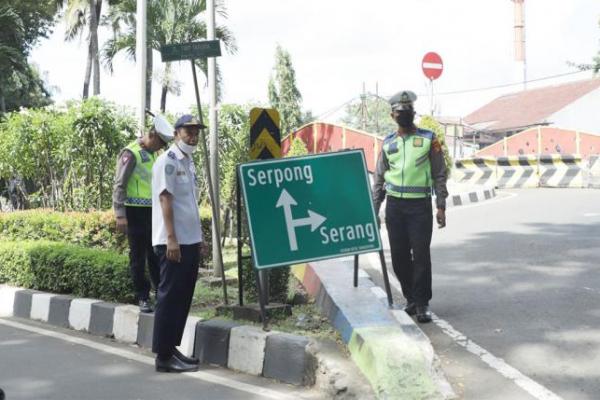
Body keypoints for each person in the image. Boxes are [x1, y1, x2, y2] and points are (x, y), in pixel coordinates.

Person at [372, 90, 448, 323]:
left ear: (414, 113)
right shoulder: (387, 143)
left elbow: (439, 173)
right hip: (395, 208)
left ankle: (422, 303)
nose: (404, 115)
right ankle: (411, 298)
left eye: (408, 111)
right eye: (400, 112)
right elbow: (379, 179)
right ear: (392, 115)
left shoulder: (428, 138)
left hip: (420, 208)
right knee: (398, 258)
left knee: (422, 256)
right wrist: (374, 211)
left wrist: (441, 205)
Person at [151, 114, 209, 373]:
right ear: (176, 133)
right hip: (172, 242)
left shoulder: (188, 161)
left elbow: (190, 205)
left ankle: (171, 349)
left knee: (182, 297)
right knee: (169, 297)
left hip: (188, 241)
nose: (193, 136)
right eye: (188, 131)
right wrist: (172, 238)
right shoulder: (168, 161)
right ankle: (163, 357)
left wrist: (199, 238)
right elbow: (166, 199)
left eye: (196, 131)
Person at [113, 115, 174, 313]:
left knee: (155, 254)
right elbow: (119, 185)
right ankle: (142, 296)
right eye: (160, 143)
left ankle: (160, 294)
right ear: (152, 135)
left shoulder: (155, 154)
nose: (161, 147)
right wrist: (120, 214)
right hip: (134, 212)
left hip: (153, 212)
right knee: (138, 257)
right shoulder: (130, 153)